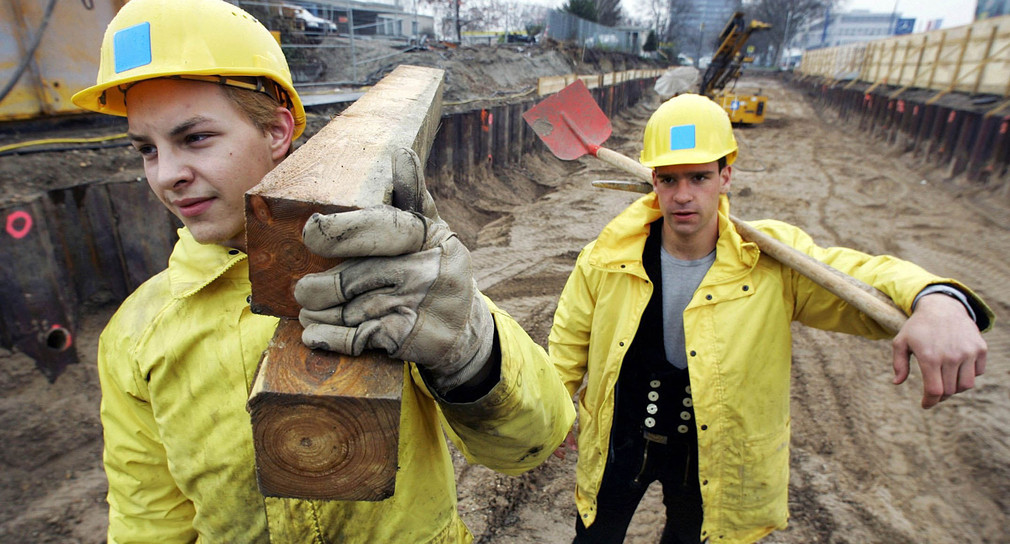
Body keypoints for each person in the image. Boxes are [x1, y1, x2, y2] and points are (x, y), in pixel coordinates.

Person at [71, 0, 574, 541]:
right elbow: (148, 521)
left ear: (276, 130)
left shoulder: (382, 268)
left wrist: (470, 349)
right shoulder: (137, 333)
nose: (168, 175)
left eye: (195, 138)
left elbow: (531, 442)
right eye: (147, 149)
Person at [548, 93, 993, 544]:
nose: (684, 196)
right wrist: (556, 402)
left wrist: (937, 299)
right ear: (654, 181)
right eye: (670, 179)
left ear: (726, 176)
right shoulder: (606, 257)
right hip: (621, 438)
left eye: (700, 177)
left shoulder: (771, 263)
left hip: (713, 455)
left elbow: (860, 278)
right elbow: (569, 337)